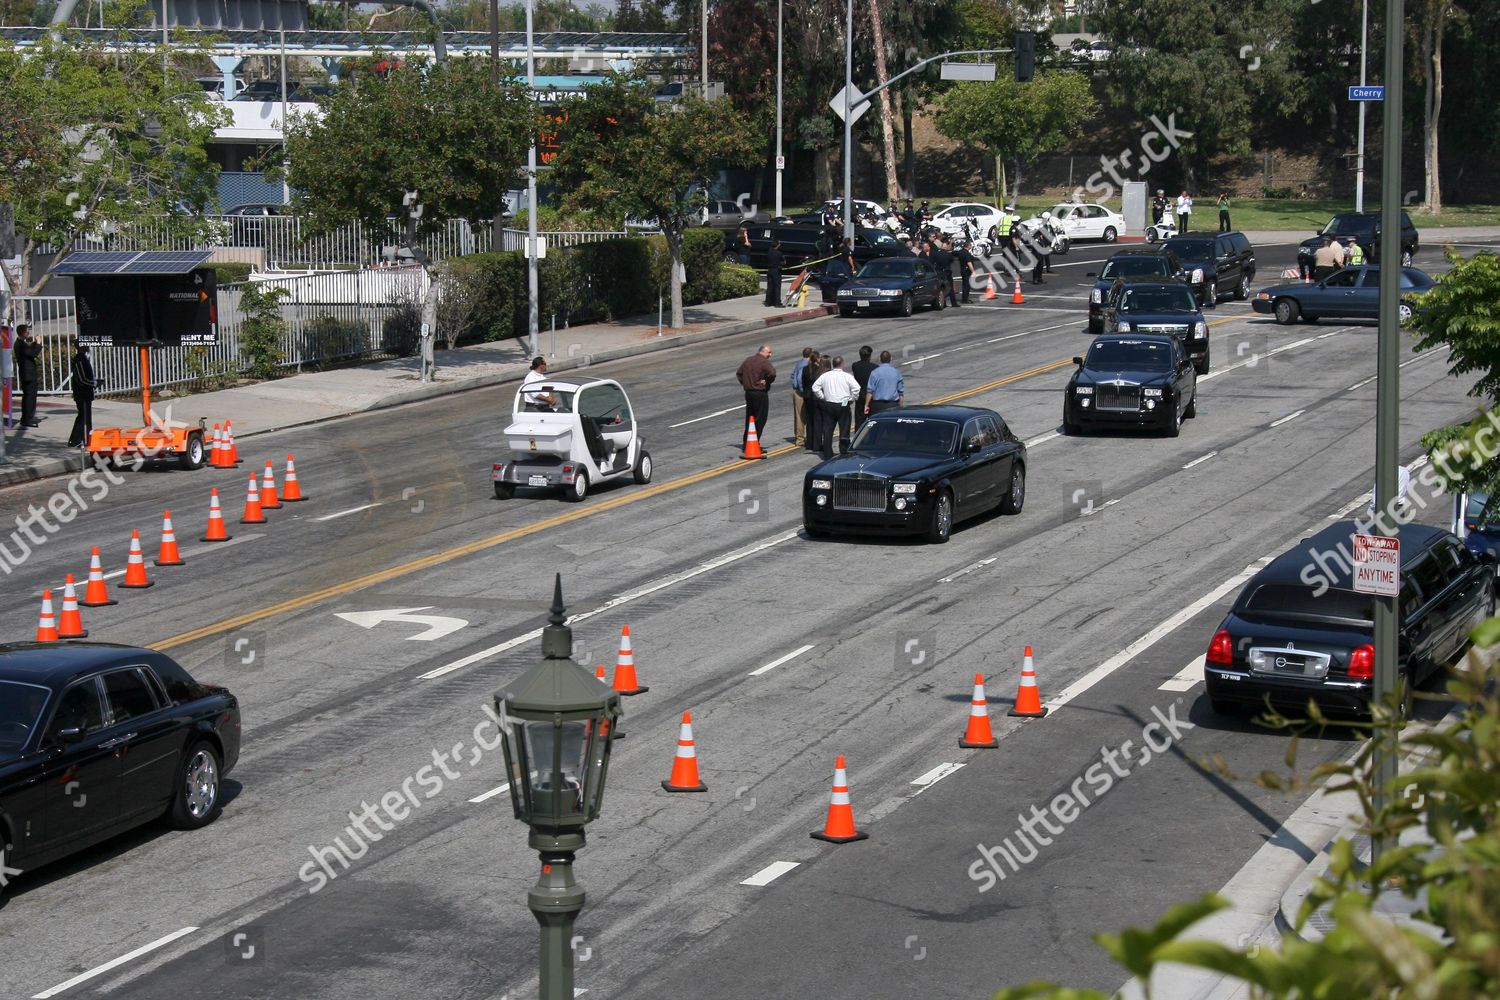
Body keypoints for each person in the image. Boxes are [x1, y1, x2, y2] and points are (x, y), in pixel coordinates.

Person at [812, 355, 860, 459]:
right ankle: (843, 451)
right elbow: (857, 388)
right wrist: (852, 398)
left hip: (829, 403)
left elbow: (815, 387)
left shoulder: (826, 375)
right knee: (844, 428)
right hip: (843, 403)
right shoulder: (847, 376)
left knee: (828, 430)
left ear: (833, 365)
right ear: (842, 364)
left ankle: (827, 453)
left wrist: (823, 397)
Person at [735, 345, 776, 451]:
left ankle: (746, 444)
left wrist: (745, 383)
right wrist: (766, 381)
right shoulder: (764, 362)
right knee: (760, 418)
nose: (770, 355)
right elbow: (772, 373)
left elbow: (739, 373)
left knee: (750, 418)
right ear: (763, 352)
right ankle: (754, 442)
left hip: (749, 393)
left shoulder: (748, 360)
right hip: (759, 393)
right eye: (769, 353)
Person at [67, 343, 97, 448]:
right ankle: (81, 440)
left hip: (85, 393)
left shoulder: (83, 358)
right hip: (82, 394)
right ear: (81, 347)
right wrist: (93, 383)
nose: (88, 346)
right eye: (86, 345)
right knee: (84, 417)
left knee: (84, 416)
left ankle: (78, 440)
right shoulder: (79, 359)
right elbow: (81, 379)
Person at [13, 324, 41, 427]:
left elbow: (29, 351)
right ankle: (27, 419)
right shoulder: (19, 344)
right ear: (23, 332)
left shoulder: (21, 343)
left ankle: (27, 418)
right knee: (30, 397)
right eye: (27, 331)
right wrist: (38, 343)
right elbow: (33, 354)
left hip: (27, 374)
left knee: (28, 396)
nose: (28, 333)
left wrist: (34, 343)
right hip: (28, 375)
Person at [802, 350, 829, 452]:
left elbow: (803, 382)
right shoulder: (819, 370)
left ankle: (809, 442)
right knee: (818, 420)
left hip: (807, 396)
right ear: (817, 358)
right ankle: (816, 443)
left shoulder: (805, 369)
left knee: (810, 420)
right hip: (815, 396)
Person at [864, 350, 904, 417]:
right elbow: (900, 393)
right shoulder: (896, 372)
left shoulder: (874, 373)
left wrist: (866, 405)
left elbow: (870, 392)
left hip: (877, 405)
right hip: (892, 404)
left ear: (880, 359)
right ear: (891, 358)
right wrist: (901, 406)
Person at [790, 347, 812, 447]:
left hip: (797, 392)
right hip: (802, 393)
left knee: (799, 416)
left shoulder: (799, 363)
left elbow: (793, 376)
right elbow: (799, 379)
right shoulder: (805, 365)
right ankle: (800, 439)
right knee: (803, 417)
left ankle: (800, 438)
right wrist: (804, 391)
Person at [852, 345, 877, 427]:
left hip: (860, 394)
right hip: (871, 395)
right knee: (872, 419)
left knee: (859, 420)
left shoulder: (855, 366)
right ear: (869, 356)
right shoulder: (874, 367)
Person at [932, 238, 957, 307]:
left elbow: (934, 262)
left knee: (941, 287)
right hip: (947, 271)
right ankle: (953, 303)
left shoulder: (937, 254)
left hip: (939, 271)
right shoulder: (948, 255)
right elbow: (951, 261)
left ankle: (944, 302)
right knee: (950, 287)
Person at [954, 238, 978, 303]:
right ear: (969, 246)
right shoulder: (967, 254)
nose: (971, 246)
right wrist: (973, 272)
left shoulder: (960, 252)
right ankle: (965, 299)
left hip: (962, 269)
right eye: (971, 245)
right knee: (966, 286)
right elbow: (969, 263)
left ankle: (965, 298)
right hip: (966, 271)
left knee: (965, 284)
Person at [764, 239, 784, 307]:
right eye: (779, 243)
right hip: (776, 271)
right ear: (777, 245)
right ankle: (777, 303)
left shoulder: (769, 252)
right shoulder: (779, 253)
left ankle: (768, 302)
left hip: (769, 270)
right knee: (777, 287)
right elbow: (783, 262)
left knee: (770, 287)